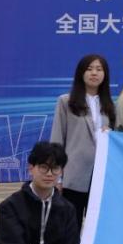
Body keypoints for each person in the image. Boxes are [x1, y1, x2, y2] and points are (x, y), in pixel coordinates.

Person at [50, 54, 115, 228]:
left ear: (105, 75)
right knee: (71, 227)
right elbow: (57, 139)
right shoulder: (66, 101)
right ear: (81, 73)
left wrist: (110, 134)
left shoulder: (110, 105)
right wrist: (57, 177)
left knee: (98, 227)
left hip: (101, 176)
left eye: (99, 69)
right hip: (74, 175)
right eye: (89, 69)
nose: (94, 73)